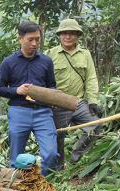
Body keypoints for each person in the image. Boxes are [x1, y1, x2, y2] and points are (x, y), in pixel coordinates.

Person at [0, 21, 58, 176]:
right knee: (16, 157)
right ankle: (18, 189)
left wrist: (51, 95)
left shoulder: (46, 61)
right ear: (20, 39)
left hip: (43, 112)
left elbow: (52, 85)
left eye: (37, 39)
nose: (34, 43)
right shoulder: (8, 62)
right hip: (19, 112)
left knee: (50, 154)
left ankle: (44, 189)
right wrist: (17, 90)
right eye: (30, 39)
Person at [46, 18, 101, 168]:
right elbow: (43, 80)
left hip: (78, 102)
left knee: (96, 126)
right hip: (57, 104)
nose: (68, 37)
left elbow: (91, 77)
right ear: (59, 36)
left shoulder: (85, 54)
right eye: (64, 33)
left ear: (77, 35)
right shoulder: (50, 54)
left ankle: (75, 157)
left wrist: (92, 101)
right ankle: (58, 169)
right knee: (58, 137)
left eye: (71, 33)